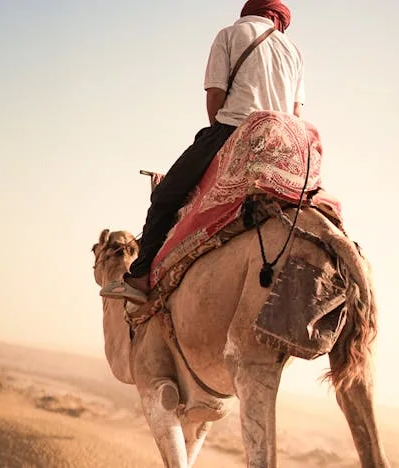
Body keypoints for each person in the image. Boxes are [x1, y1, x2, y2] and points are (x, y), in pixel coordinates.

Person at [100, 0, 305, 304]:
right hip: (281, 147)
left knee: (165, 197)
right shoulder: (294, 52)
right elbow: (296, 114)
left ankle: (140, 278)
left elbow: (216, 98)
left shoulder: (229, 35)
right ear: (278, 19)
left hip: (233, 130)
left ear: (249, 11)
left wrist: (221, 146)